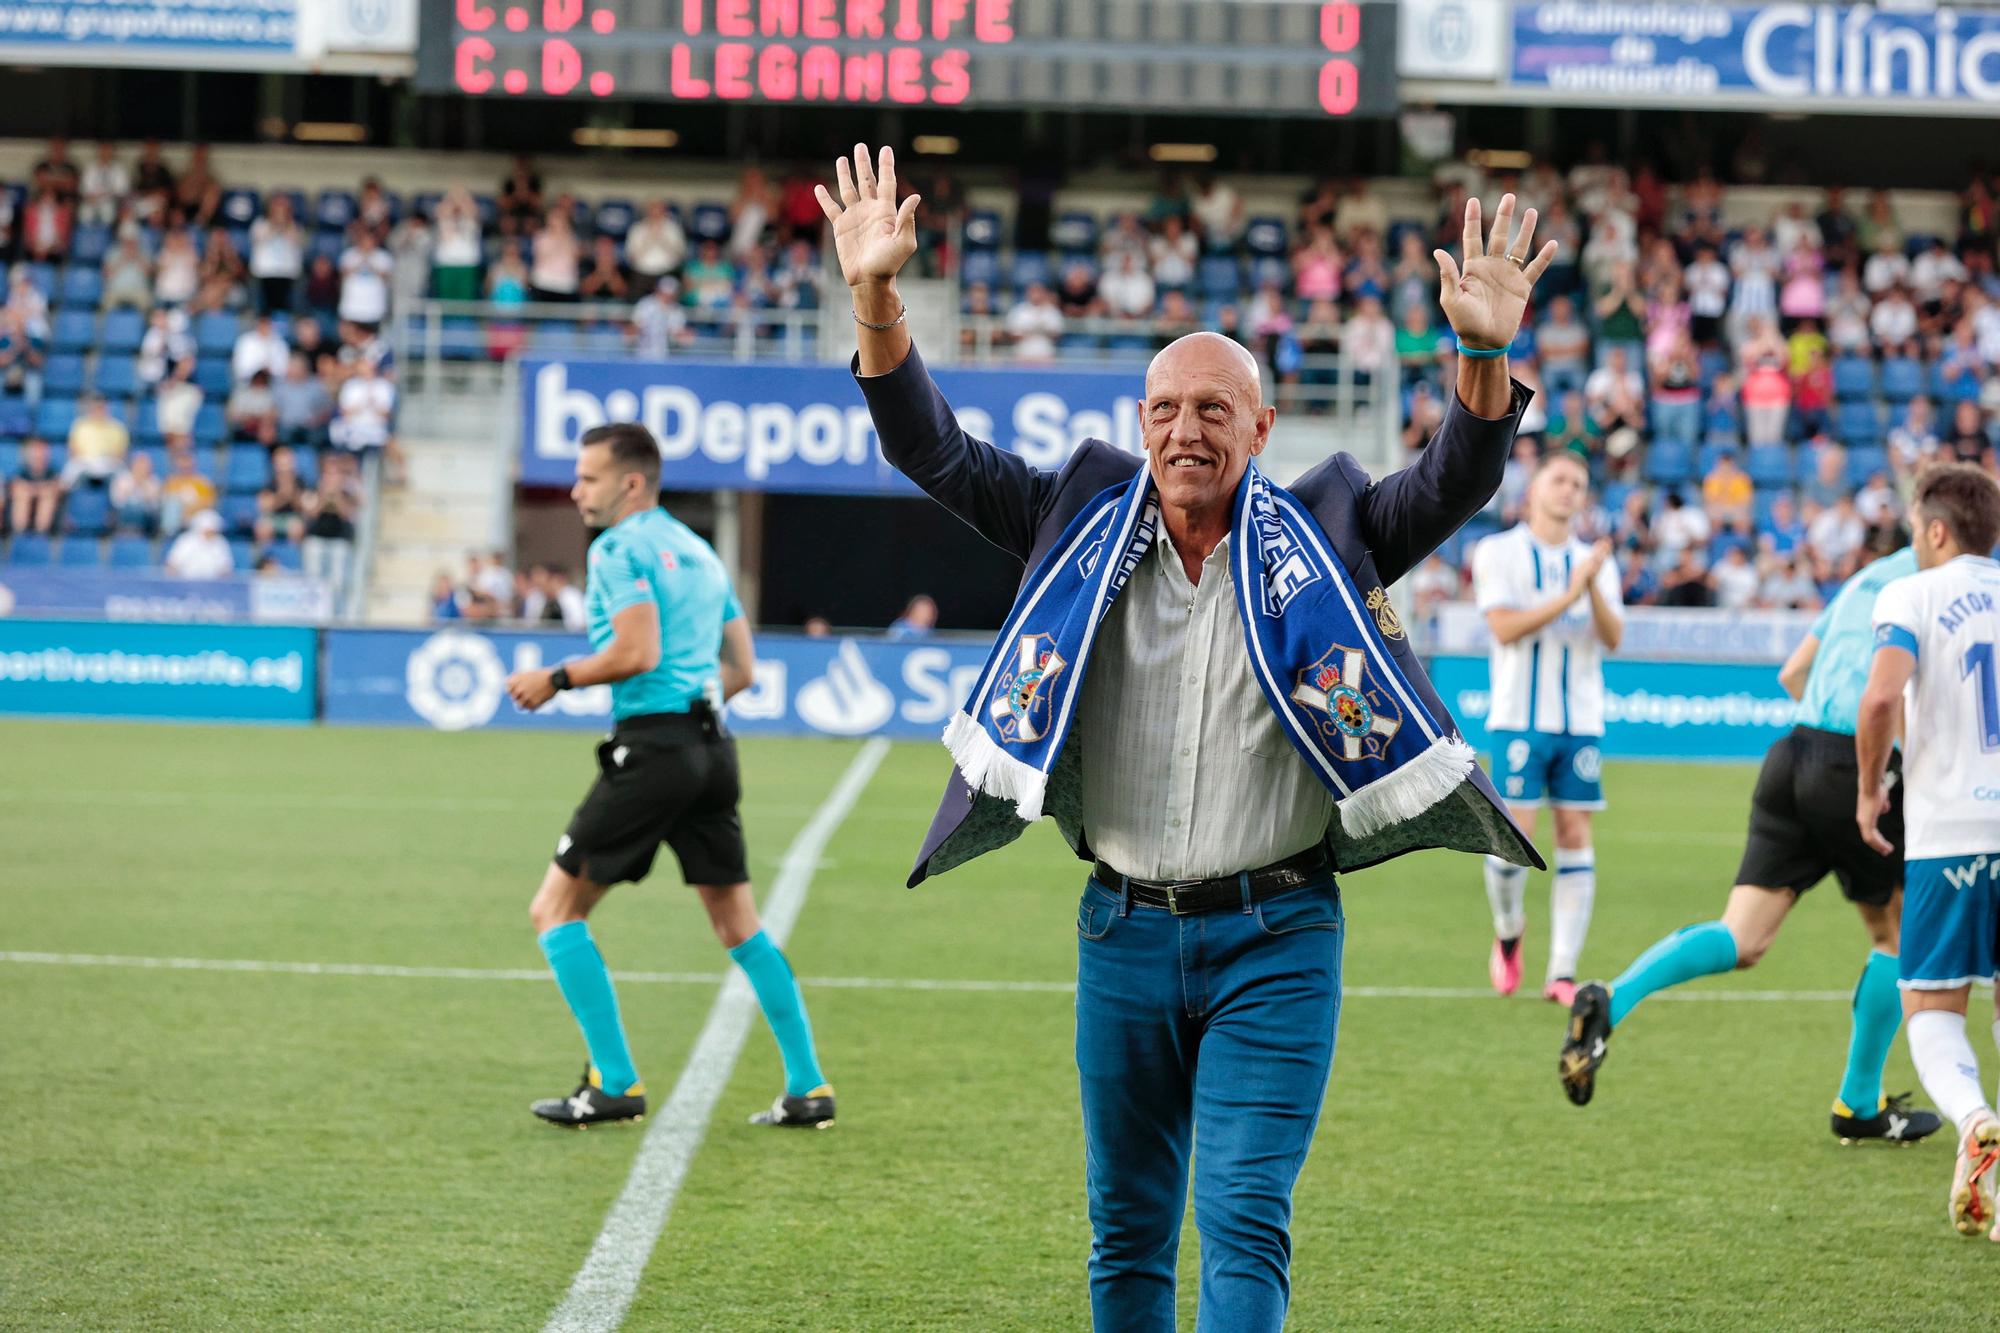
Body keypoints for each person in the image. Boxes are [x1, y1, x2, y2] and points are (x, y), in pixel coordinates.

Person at [818, 144, 1549, 1332]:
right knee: (1126, 1230)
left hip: (1279, 934)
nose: (1184, 430)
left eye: (1213, 409)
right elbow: (931, 451)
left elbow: (1452, 479)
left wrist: (1480, 352)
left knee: (1245, 1212)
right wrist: (874, 299)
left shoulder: (1333, 532)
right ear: (1138, 424)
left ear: (1259, 427)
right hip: (1120, 931)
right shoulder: (1077, 518)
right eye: (1164, 409)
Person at [1559, 535, 1944, 1147]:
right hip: (1856, 764)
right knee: (1896, 936)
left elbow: (1794, 673)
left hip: (1792, 755)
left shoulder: (1865, 579)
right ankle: (1857, 1102)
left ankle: (1612, 998)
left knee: (1742, 937)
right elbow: (1885, 700)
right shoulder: (1940, 589)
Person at [504, 423, 835, 1131]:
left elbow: (636, 649)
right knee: (737, 922)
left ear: (629, 483)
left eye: (587, 478)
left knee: (553, 909)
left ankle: (614, 1081)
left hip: (654, 750)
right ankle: (808, 1085)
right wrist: (692, 706)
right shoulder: (698, 550)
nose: (574, 490)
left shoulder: (619, 550)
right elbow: (742, 670)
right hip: (713, 749)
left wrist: (554, 679)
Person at [1857, 463, 2000, 1236]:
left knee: (1931, 1005)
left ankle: (1974, 1115)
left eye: (1915, 528)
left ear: (1937, 529)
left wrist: (1869, 788)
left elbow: (1881, 695)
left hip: (1950, 832)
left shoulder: (1911, 594)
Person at [1470, 451, 1624, 1004]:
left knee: (1576, 836)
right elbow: (1505, 628)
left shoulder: (1596, 562)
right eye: (1559, 480)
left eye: (1579, 484)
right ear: (1533, 490)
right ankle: (1510, 931)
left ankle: (1561, 970)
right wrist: (1570, 592)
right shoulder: (1498, 551)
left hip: (1580, 721)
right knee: (1516, 839)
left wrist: (1592, 588)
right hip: (1517, 719)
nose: (1569, 491)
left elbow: (1612, 638)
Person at [164, 508, 233, 579]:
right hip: (186, 583)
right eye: (208, 530)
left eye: (213, 530)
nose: (211, 533)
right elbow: (172, 565)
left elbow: (226, 568)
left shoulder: (221, 542)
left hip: (213, 585)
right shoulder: (186, 540)